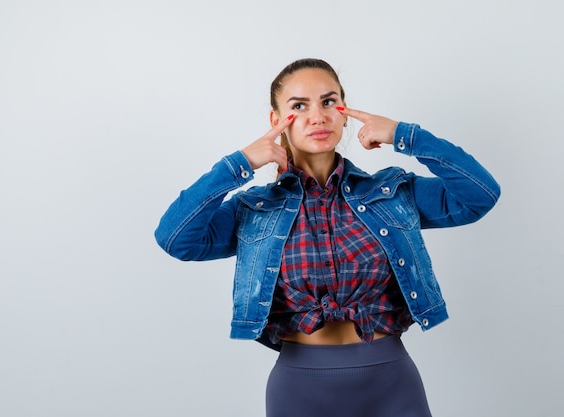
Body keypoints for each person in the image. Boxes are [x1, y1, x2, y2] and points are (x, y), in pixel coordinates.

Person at [154, 58, 500, 417]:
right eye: (299, 106)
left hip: (392, 382)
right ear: (277, 121)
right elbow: (176, 238)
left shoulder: (392, 191)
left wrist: (404, 135)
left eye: (329, 101)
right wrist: (238, 164)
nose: (317, 116)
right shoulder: (255, 209)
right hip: (298, 388)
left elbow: (479, 195)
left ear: (344, 112)